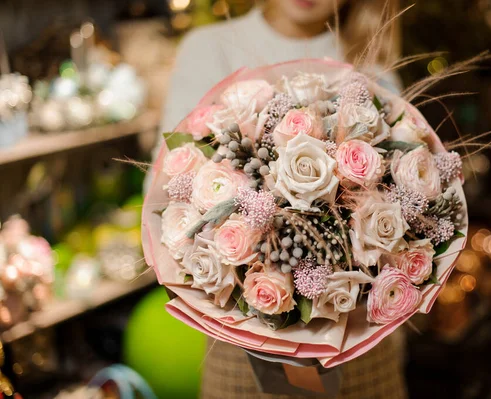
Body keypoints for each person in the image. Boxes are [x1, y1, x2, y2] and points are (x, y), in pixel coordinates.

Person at [158, 1, 409, 398]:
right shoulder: (210, 46)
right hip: (239, 346)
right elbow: (169, 182)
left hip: (359, 345)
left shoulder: (368, 53)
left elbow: (403, 190)